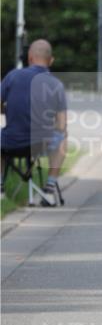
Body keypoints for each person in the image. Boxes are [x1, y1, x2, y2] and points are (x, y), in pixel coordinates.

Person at [1, 39, 67, 206]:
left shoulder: (12, 76)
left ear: (29, 58)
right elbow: (61, 124)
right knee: (63, 137)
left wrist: (8, 110)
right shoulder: (56, 85)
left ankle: (0, 188)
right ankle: (50, 189)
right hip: (40, 145)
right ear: (51, 60)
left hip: (11, 142)